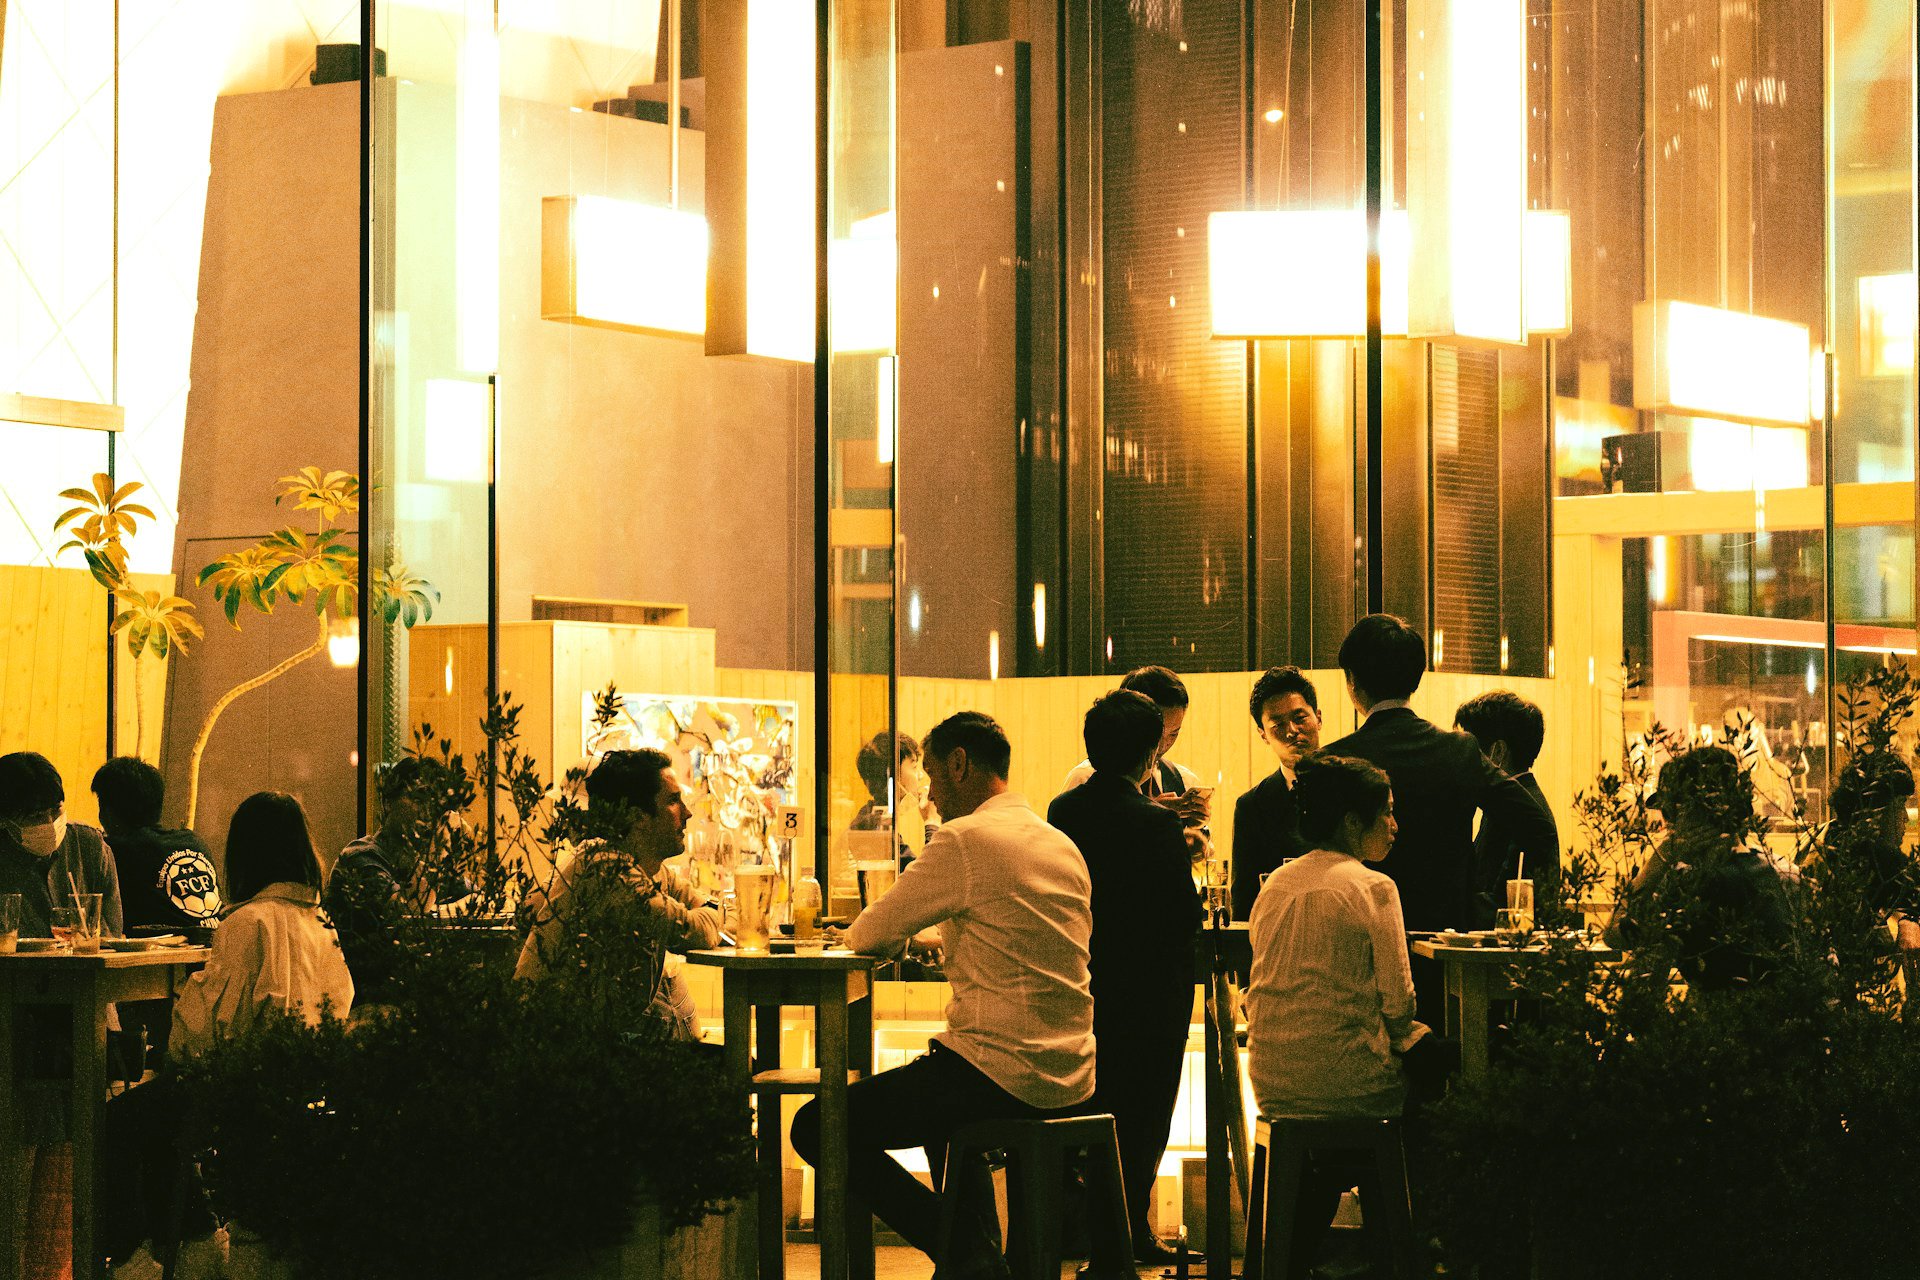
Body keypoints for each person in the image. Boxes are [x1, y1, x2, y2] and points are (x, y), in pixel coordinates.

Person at [793, 712, 1112, 1279]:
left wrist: (902, 938)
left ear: (960, 764)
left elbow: (868, 932)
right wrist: (934, 937)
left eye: (935, 777)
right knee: (945, 1070)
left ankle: (964, 1248)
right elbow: (1012, 928)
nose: (931, 795)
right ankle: (973, 1252)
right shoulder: (1058, 843)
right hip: (1073, 1071)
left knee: (818, 1126)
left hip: (1001, 1073)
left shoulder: (964, 839)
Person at [1244, 753, 1440, 1280]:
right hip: (1349, 1088)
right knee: (1432, 1084)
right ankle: (1397, 1252)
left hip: (1273, 1084)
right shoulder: (1374, 887)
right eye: (1388, 813)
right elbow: (1400, 1005)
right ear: (1354, 822)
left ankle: (1292, 1256)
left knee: (1326, 1151)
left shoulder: (1275, 886)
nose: (1396, 826)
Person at [1048, 690, 1203, 1264]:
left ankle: (1097, 1235)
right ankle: (1119, 1243)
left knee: (1094, 1105)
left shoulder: (1063, 811)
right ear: (1149, 756)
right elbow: (1182, 915)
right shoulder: (1156, 823)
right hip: (1150, 989)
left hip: (1086, 979)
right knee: (1142, 1118)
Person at [514, 748, 720, 1040]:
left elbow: (706, 913)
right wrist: (714, 914)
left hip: (593, 1044)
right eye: (673, 801)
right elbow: (694, 930)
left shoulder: (650, 870)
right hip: (555, 1054)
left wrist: (713, 912)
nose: (687, 813)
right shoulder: (608, 872)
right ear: (638, 818)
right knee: (729, 1068)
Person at [172, 792, 354, 1054]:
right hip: (311, 1081)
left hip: (248, 1086)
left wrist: (185, 996)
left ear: (244, 853)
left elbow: (206, 1035)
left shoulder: (248, 922)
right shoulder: (321, 920)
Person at [1606, 745, 1795, 993]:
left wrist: (1661, 857)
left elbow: (1616, 936)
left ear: (1692, 814)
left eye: (1672, 813)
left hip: (1718, 1029)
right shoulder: (1785, 874)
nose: (1667, 824)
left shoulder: (1689, 890)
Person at [92, 756, 220, 1069]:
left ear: (108, 811)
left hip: (157, 990)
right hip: (207, 981)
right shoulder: (193, 841)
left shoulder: (116, 849)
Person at [326, 757, 434, 1004]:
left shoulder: (419, 864)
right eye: (417, 800)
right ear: (387, 803)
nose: (427, 811)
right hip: (366, 1004)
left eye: (434, 802)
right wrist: (439, 851)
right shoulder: (362, 857)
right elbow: (408, 916)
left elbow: (473, 896)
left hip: (406, 999)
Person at [1062, 666, 1211, 843]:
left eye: (1174, 733)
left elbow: (1201, 860)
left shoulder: (1186, 780)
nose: (1163, 744)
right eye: (1158, 732)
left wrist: (1200, 831)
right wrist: (1151, 814)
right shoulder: (1083, 778)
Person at [1454, 691, 1561, 928]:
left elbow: (1507, 907)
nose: (1463, 757)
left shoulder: (1523, 815)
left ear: (1498, 753)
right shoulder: (1516, 804)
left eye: (1469, 749)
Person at [0, 750, 124, 938]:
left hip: (88, 966)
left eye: (56, 809)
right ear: (4, 820)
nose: (50, 822)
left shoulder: (89, 846)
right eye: (36, 816)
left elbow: (112, 932)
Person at [1231, 667, 1322, 920]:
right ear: (1263, 735)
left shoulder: (1351, 786)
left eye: (1300, 717)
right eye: (1278, 725)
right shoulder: (1252, 806)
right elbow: (1244, 899)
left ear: (1319, 718)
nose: (1292, 730)